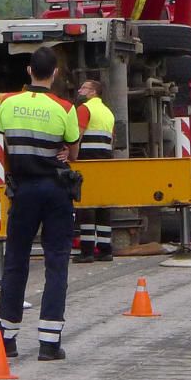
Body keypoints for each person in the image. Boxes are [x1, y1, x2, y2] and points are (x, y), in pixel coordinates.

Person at [0, 46, 80, 361]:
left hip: (23, 191)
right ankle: (49, 343)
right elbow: (73, 153)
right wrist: (62, 151)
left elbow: (7, 141)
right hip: (56, 191)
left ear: (28, 71)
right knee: (56, 262)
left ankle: (6, 338)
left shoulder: (8, 104)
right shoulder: (65, 108)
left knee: (16, 261)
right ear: (56, 73)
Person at [72, 79, 116, 263]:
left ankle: (87, 250)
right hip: (105, 162)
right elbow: (112, 140)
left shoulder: (84, 109)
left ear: (92, 92)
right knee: (102, 204)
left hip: (87, 161)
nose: (80, 90)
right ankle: (105, 249)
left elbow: (78, 135)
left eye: (84, 88)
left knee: (87, 205)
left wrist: (71, 156)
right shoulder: (108, 113)